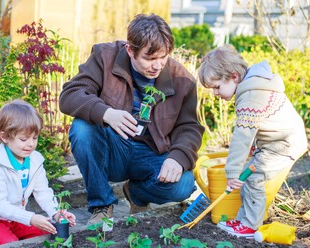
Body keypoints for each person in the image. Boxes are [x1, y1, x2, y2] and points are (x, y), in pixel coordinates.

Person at [59, 13, 204, 225]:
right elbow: (70, 95)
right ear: (130, 50)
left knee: (183, 184)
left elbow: (189, 127)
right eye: (149, 58)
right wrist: (106, 113)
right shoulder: (105, 57)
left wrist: (178, 157)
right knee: (82, 128)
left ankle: (137, 194)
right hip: (114, 149)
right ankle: (102, 205)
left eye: (162, 57)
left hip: (151, 153)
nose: (157, 65)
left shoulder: (182, 80)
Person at [197, 45, 308, 238]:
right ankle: (243, 220)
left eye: (216, 87)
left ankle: (249, 226)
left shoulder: (251, 95)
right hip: (275, 142)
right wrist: (254, 149)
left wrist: (232, 172)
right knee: (248, 176)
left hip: (283, 145)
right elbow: (260, 125)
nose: (215, 93)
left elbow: (242, 135)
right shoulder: (253, 86)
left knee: (252, 179)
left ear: (233, 76)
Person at [0, 99, 76, 246]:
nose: (31, 143)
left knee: (48, 232)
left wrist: (56, 213)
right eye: (24, 139)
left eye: (35, 138)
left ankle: (7, 232)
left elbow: (43, 192)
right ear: (4, 137)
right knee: (10, 245)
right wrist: (31, 218)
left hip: (14, 217)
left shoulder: (35, 161)